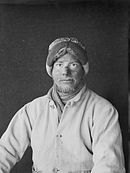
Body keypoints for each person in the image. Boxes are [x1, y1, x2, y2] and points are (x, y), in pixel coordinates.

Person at [0, 37, 125, 173]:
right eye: (59, 64)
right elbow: (5, 151)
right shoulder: (32, 110)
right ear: (51, 71)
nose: (65, 72)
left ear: (83, 70)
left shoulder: (103, 111)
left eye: (73, 65)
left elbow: (109, 166)